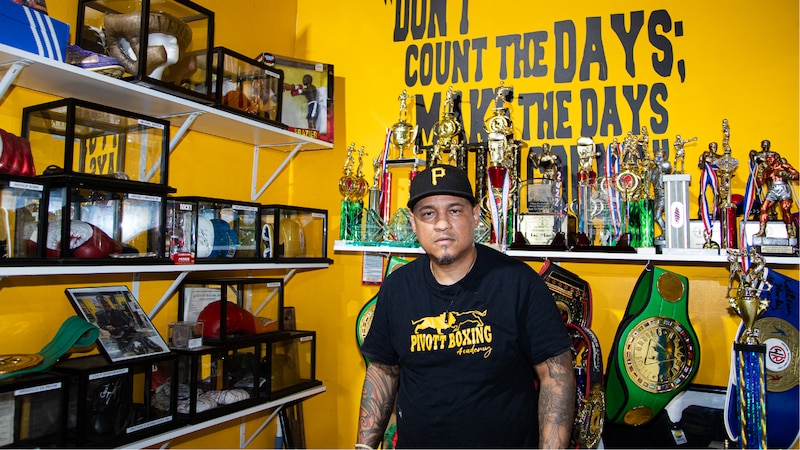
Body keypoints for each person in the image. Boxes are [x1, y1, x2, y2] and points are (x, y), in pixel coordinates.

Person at [357, 164, 575, 448]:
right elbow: (382, 371)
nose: (442, 224)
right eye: (428, 213)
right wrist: (363, 446)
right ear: (413, 223)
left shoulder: (519, 283)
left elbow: (556, 376)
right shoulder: (397, 287)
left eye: (454, 211)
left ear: (474, 216)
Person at [753, 146, 799, 238]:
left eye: (770, 157)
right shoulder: (767, 169)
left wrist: (786, 175)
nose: (768, 159)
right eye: (767, 158)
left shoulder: (783, 166)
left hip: (783, 188)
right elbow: (760, 183)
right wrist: (760, 173)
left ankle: (790, 230)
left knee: (785, 209)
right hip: (772, 189)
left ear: (776, 158)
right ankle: (762, 230)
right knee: (763, 208)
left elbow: (797, 175)